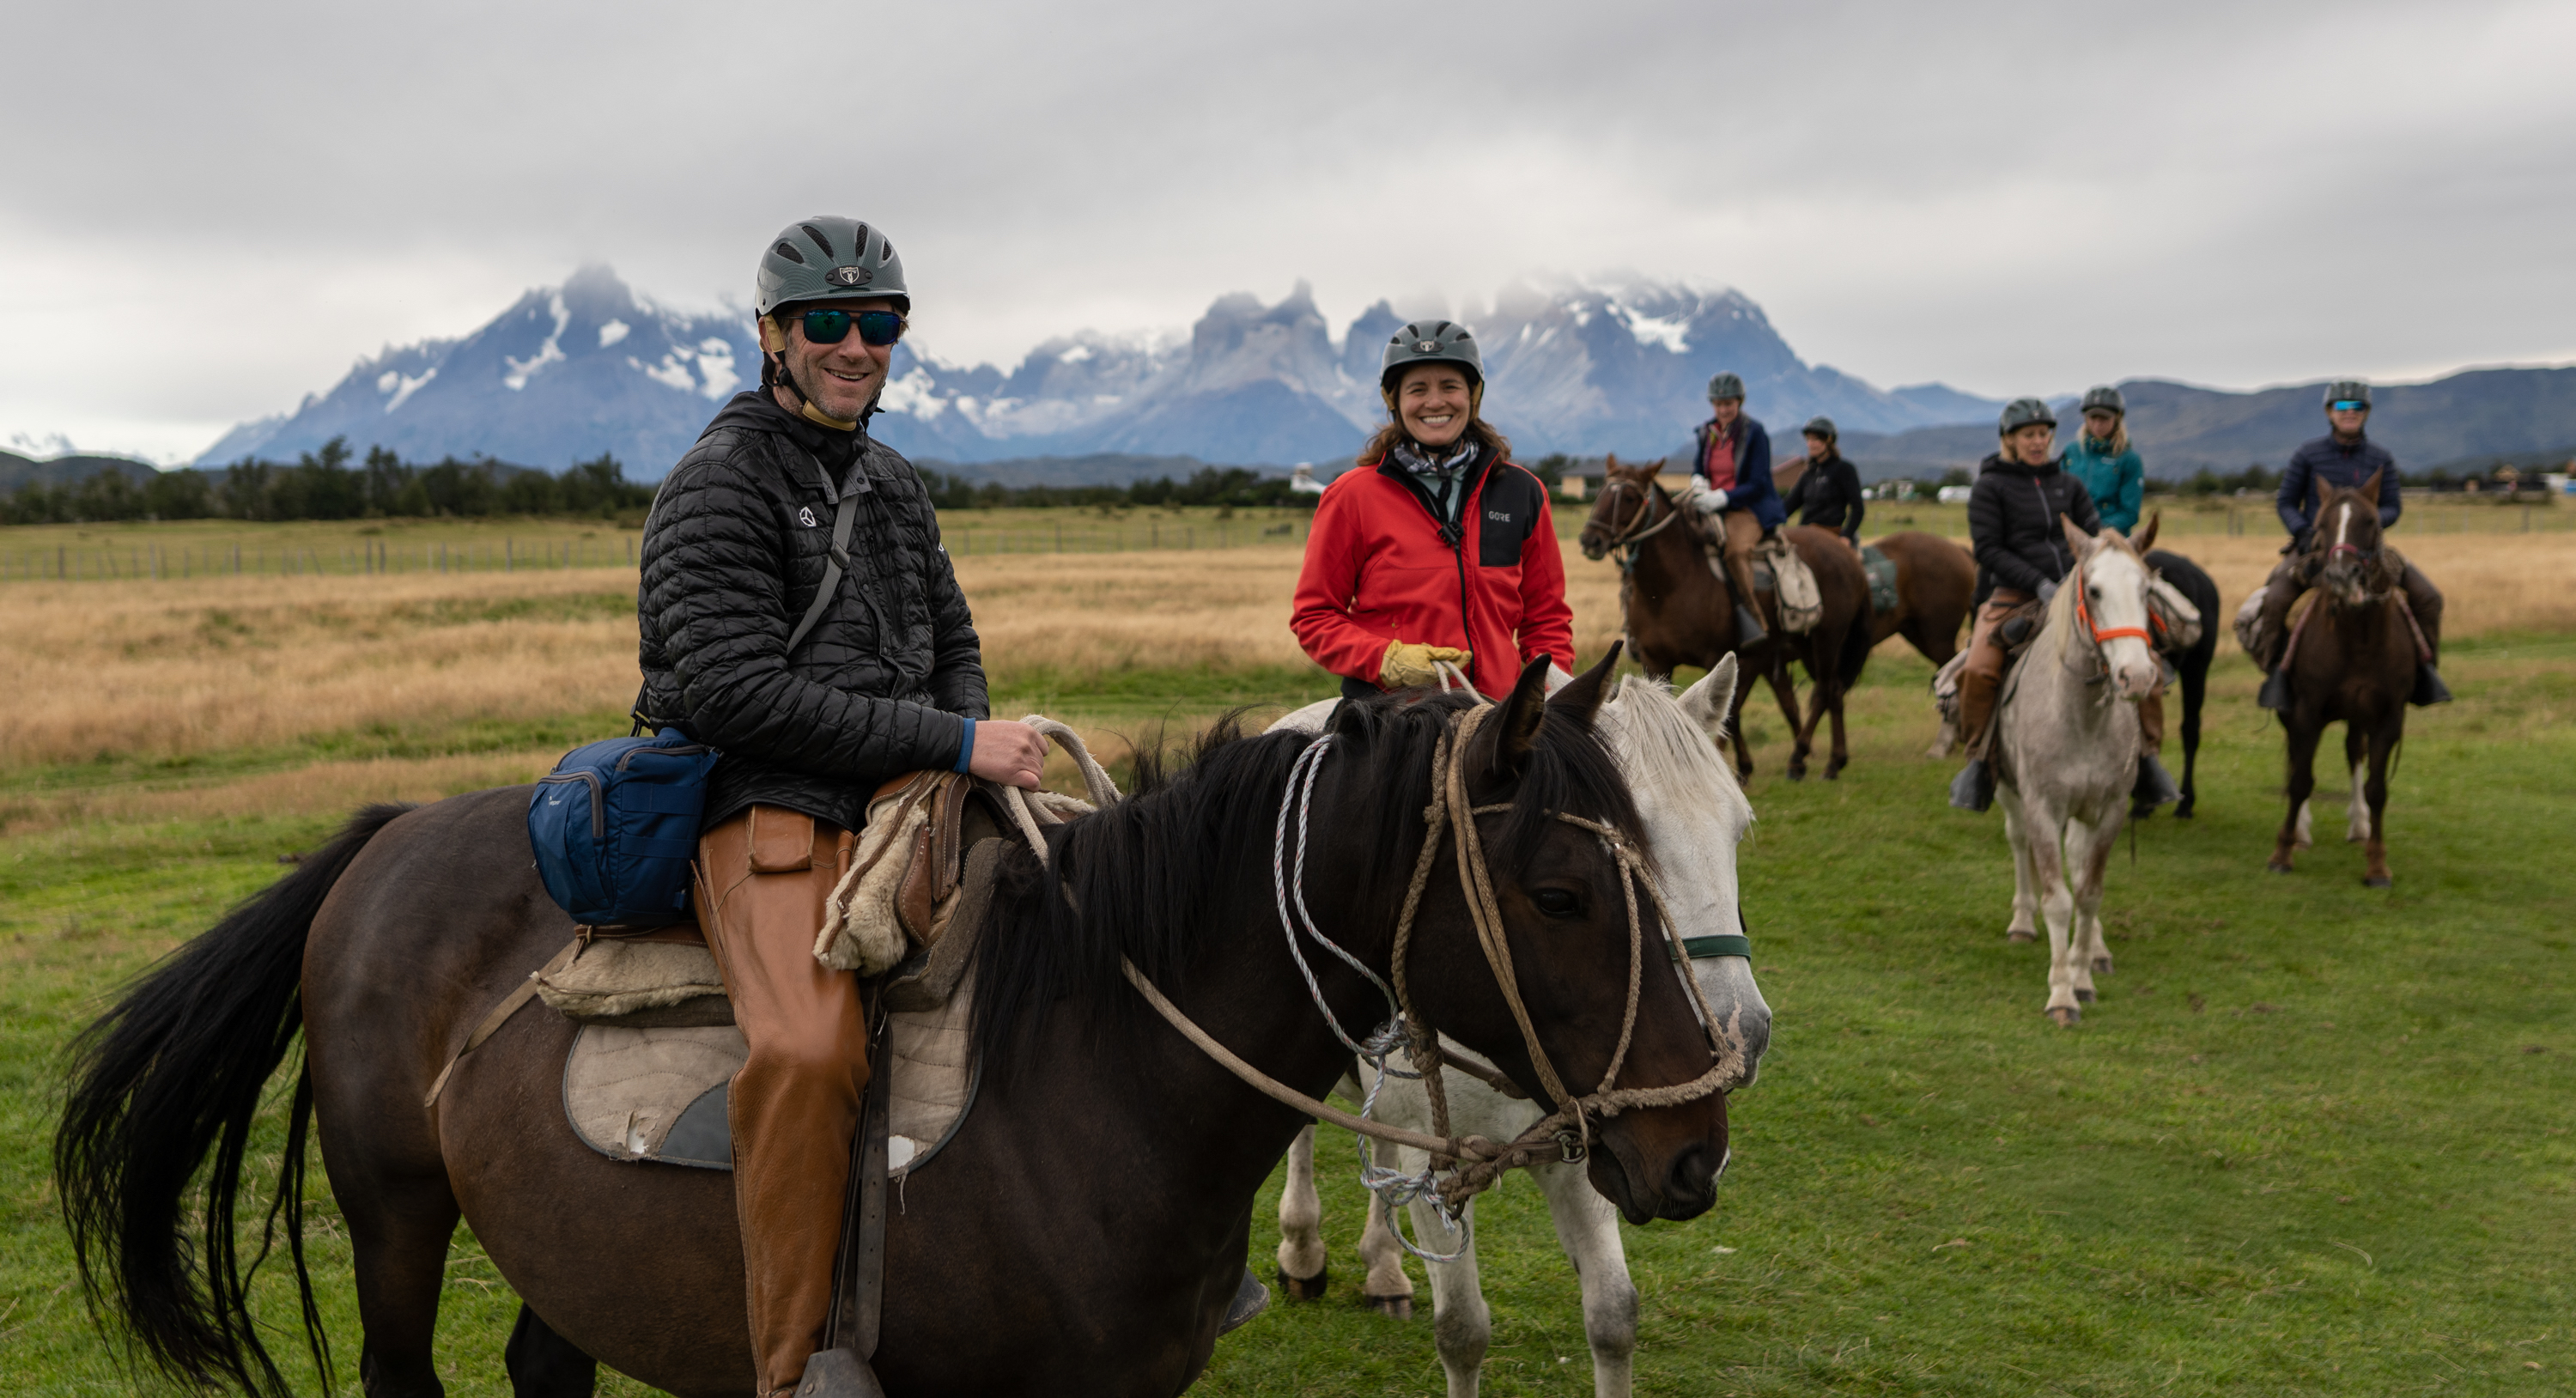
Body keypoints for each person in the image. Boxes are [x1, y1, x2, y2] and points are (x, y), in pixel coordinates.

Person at [635, 216, 1049, 1398]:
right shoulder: (717, 483)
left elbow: (954, 639)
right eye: (829, 323)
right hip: (766, 805)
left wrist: (960, 749)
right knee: (811, 1051)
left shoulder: (893, 480)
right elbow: (732, 690)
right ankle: (790, 1368)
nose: (856, 345)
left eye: (880, 323)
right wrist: (955, 738)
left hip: (914, 795)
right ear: (771, 333)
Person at [1291, 318, 1574, 700]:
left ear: (1473, 396)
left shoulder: (1522, 492)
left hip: (1494, 721)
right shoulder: (1351, 496)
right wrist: (1385, 660)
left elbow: (1546, 618)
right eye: (1418, 389)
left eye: (1450, 386)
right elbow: (1314, 618)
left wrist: (1547, 695)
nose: (1435, 401)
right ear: (1395, 401)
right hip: (1386, 721)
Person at [1950, 398, 2179, 812]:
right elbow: (1988, 548)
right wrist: (2036, 583)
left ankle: (2146, 759)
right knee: (1978, 669)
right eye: (2028, 435)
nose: (2038, 442)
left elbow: (2094, 542)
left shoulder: (2068, 485)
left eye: (2043, 434)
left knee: (2145, 661)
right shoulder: (1989, 487)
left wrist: (2107, 563)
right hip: (2012, 597)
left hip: (2075, 594)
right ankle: (1978, 763)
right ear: (2009, 440)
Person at [2250, 380, 2447, 709]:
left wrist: (2364, 524)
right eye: (2342, 407)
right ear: (2329, 412)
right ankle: (2277, 676)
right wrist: (2303, 532)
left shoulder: (2380, 458)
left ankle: (2423, 675)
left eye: (2357, 407)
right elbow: (2285, 502)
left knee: (2429, 597)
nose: (2350, 413)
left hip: (2368, 550)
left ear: (2366, 413)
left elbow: (2393, 507)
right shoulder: (2308, 454)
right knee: (2274, 601)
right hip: (2314, 549)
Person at [1683, 373, 1788, 643]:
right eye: (1718, 404)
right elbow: (1699, 468)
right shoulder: (1707, 433)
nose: (1723, 409)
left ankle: (1755, 622)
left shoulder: (1755, 433)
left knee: (1735, 552)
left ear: (1739, 402)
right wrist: (1698, 482)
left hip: (1747, 508)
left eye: (1728, 404)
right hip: (1712, 503)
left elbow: (1759, 482)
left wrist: (1724, 498)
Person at [2061, 386, 2145, 534]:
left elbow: (2130, 513)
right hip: (2072, 537)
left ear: (2117, 417)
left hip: (2110, 538)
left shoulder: (2129, 460)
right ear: (2086, 418)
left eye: (2104, 418)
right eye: (2093, 418)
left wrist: (2097, 529)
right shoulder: (2071, 452)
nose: (2097, 424)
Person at [1780, 415, 1865, 548]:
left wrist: (1847, 535)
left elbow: (1858, 508)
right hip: (1806, 535)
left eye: (1816, 439)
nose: (1810, 444)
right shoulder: (1808, 474)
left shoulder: (1844, 469)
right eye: (1808, 439)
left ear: (1829, 441)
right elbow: (1788, 506)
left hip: (1831, 537)